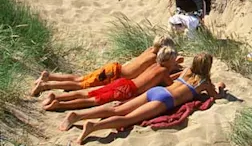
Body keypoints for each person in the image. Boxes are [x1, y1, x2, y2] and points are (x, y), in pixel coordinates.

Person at [74, 53, 224, 144]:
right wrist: (220, 86)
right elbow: (215, 95)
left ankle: (79, 115)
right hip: (165, 100)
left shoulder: (187, 71)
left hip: (157, 90)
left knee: (118, 109)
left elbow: (173, 77)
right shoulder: (205, 82)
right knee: (128, 119)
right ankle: (93, 127)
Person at [44, 46, 180, 115]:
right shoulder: (163, 72)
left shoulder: (154, 65)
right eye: (173, 60)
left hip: (123, 82)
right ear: (169, 61)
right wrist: (180, 73)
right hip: (128, 90)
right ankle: (59, 104)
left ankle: (58, 96)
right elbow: (170, 85)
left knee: (89, 93)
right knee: (93, 101)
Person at [31, 36, 174, 96]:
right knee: (81, 85)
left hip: (114, 67)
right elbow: (160, 69)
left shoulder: (149, 50)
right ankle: (45, 86)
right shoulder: (154, 58)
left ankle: (50, 76)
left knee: (80, 79)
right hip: (114, 74)